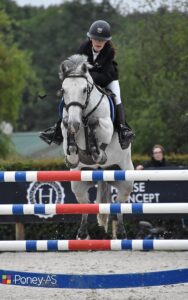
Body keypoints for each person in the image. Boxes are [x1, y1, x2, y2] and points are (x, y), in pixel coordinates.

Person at [40, 20, 135, 149]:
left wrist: (89, 77)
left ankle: (123, 129)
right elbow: (75, 66)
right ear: (90, 38)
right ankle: (57, 128)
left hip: (107, 78)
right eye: (96, 39)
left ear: (107, 41)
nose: (99, 42)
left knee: (117, 97)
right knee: (66, 97)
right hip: (84, 79)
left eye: (102, 40)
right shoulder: (84, 47)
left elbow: (105, 75)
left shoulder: (109, 51)